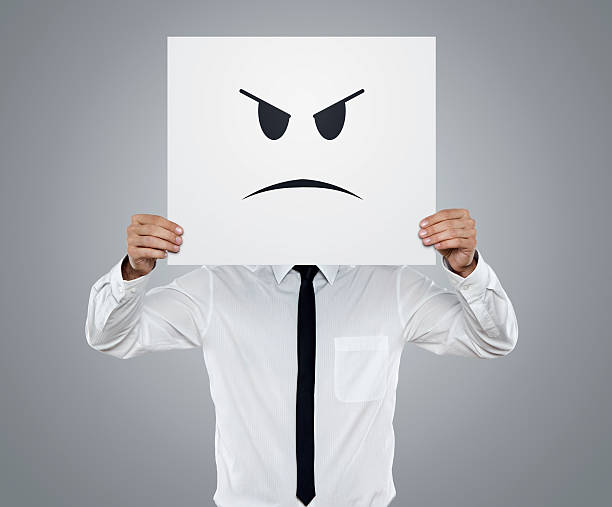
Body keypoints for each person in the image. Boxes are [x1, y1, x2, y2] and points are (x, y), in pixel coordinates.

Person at [85, 209, 518, 507]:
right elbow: (110, 336)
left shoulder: (392, 286)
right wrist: (132, 273)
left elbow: (493, 340)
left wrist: (469, 272)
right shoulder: (218, 286)